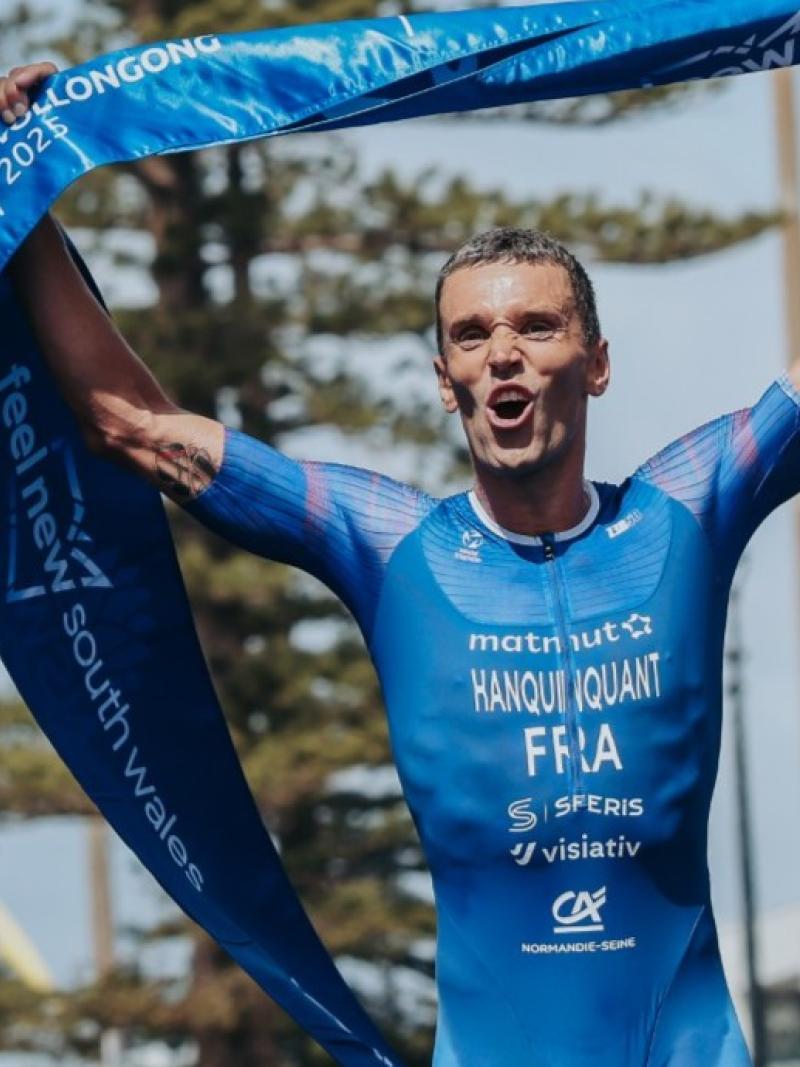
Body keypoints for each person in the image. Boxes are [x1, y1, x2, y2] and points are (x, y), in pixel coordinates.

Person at [4, 63, 799, 1067]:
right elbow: (136, 424)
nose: (500, 352)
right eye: (471, 335)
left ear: (594, 362)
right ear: (443, 380)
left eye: (534, 326)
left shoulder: (685, 509)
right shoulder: (391, 545)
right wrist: (20, 188)